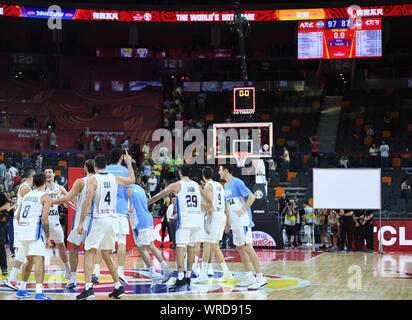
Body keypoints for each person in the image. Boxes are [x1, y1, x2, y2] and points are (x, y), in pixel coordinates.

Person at [75, 151, 135, 300]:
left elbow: (88, 202)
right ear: (106, 166)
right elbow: (132, 180)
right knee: (107, 254)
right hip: (112, 219)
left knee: (89, 252)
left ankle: (88, 289)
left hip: (100, 219)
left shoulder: (93, 179)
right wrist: (129, 162)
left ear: (94, 167)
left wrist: (81, 222)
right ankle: (118, 287)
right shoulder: (114, 178)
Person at [147, 164, 212, 290]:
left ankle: (181, 277)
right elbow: (208, 201)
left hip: (186, 221)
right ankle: (188, 276)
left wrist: (147, 202)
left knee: (180, 248)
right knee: (191, 248)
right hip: (197, 220)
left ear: (180, 172)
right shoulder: (196, 185)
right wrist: (201, 208)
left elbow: (159, 195)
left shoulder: (177, 184)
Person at [219, 163, 267, 290]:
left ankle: (260, 277)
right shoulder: (227, 186)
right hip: (235, 223)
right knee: (239, 247)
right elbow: (228, 207)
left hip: (243, 221)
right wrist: (228, 223)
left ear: (226, 171)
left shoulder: (237, 182)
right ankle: (249, 276)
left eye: (220, 170)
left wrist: (243, 210)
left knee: (248, 247)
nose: (219, 172)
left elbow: (252, 197)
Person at [50, 159, 95, 289]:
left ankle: (73, 277)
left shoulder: (81, 181)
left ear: (85, 168)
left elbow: (68, 197)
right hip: (95, 220)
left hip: (81, 220)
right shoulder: (99, 181)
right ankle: (89, 280)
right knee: (90, 252)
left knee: (74, 248)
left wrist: (51, 202)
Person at [93, 148, 132, 286]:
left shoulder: (105, 169)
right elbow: (128, 193)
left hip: (106, 209)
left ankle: (96, 271)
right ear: (121, 158)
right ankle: (120, 272)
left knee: (101, 241)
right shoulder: (125, 171)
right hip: (121, 209)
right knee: (121, 241)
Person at [15, 172, 52, 300]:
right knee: (39, 261)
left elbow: (18, 215)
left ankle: (21, 289)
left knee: (29, 260)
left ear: (34, 183)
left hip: (23, 231)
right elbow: (45, 219)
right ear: (45, 183)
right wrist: (47, 236)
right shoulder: (45, 197)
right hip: (34, 232)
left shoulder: (26, 195)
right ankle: (39, 293)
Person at [193, 166, 233, 284]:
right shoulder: (220, 185)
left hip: (214, 216)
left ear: (203, 175)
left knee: (206, 244)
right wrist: (227, 221)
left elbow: (209, 204)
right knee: (214, 246)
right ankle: (226, 272)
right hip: (222, 215)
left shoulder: (208, 186)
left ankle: (203, 274)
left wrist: (207, 223)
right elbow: (225, 203)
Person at [128, 183, 172, 282]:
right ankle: (154, 273)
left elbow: (130, 209)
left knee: (148, 246)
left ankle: (164, 270)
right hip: (147, 218)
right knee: (142, 247)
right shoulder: (140, 189)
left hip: (139, 221)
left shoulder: (128, 190)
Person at [4, 167, 35, 290]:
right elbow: (33, 203)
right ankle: (11, 279)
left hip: (21, 220)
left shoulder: (25, 186)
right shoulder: (26, 187)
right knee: (22, 250)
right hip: (21, 221)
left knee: (23, 250)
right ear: (31, 176)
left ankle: (12, 278)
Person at [44, 166, 71, 280]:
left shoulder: (59, 187)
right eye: (46, 172)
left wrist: (63, 200)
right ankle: (41, 274)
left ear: (54, 174)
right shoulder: (42, 188)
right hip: (44, 221)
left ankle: (68, 271)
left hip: (55, 221)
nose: (48, 174)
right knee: (41, 248)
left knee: (61, 246)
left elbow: (68, 199)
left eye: (50, 172)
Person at [0, 191, 10, 276]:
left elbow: (7, 205)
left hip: (0, 223)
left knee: (0, 245)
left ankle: (4, 267)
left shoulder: (0, 194)